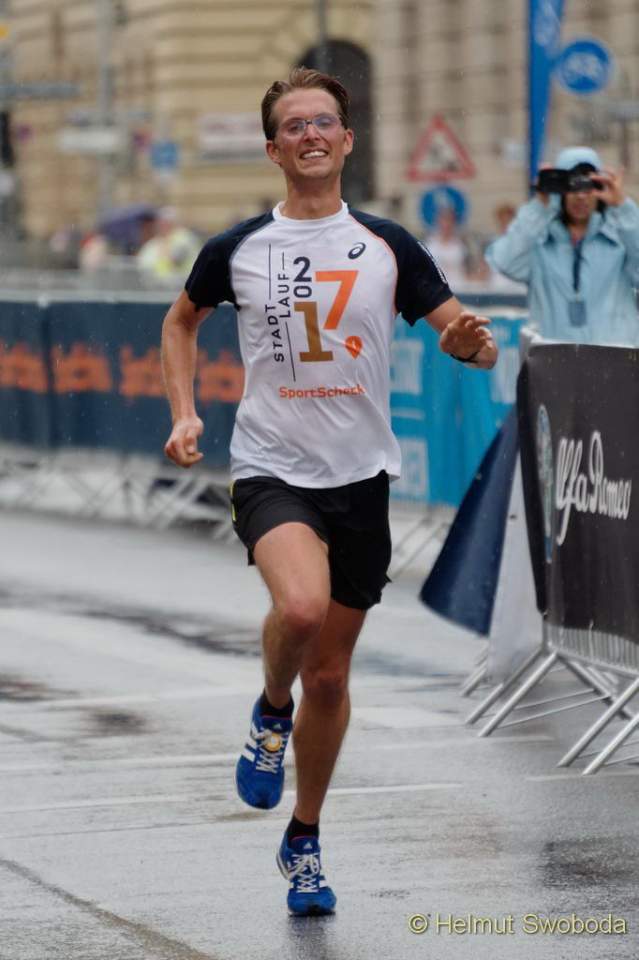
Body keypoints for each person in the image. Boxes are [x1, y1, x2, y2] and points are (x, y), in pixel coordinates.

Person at [160, 67, 497, 917]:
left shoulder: (386, 244)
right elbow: (180, 320)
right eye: (293, 125)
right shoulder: (238, 247)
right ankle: (270, 710)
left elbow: (467, 339)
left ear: (346, 141)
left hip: (360, 477)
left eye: (323, 122)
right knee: (302, 611)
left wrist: (469, 343)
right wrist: (184, 411)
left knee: (335, 678)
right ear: (273, 150)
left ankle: (303, 838)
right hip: (270, 466)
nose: (309, 134)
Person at [486, 146, 639, 344]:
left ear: (600, 187)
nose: (581, 196)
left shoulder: (621, 237)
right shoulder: (539, 241)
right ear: (559, 190)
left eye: (588, 185)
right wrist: (540, 205)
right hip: (553, 357)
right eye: (572, 186)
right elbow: (505, 261)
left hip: (613, 356)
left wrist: (623, 208)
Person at [137, 206, 200, 282]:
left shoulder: (183, 238)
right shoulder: (157, 240)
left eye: (164, 223)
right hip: (156, 283)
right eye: (159, 223)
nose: (160, 226)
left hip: (181, 283)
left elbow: (175, 260)